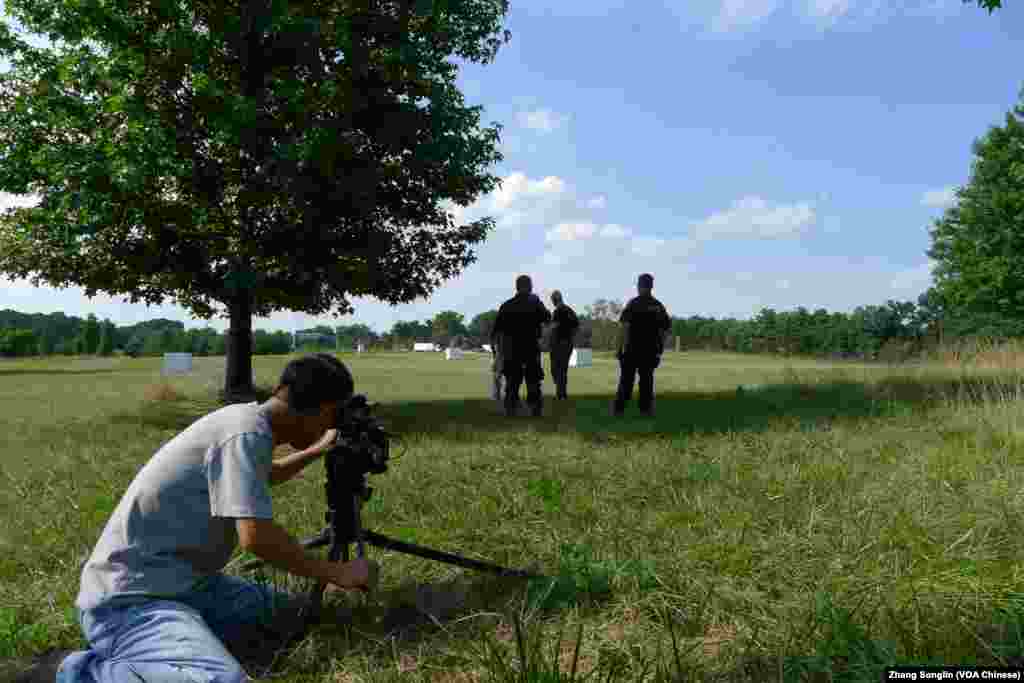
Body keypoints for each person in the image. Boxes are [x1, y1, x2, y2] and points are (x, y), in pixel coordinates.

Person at [56, 354, 380, 683]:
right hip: (131, 600)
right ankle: (82, 672)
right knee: (222, 680)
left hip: (189, 585)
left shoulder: (244, 420)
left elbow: (269, 473)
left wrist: (315, 450)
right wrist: (336, 572)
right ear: (324, 409)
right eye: (335, 415)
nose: (333, 425)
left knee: (296, 615)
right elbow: (256, 538)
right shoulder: (245, 435)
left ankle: (167, 650)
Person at [491, 275, 552, 417]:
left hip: (511, 350)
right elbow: (548, 318)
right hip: (531, 348)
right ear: (529, 286)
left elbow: (496, 331)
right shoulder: (535, 303)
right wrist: (538, 301)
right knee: (533, 381)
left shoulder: (506, 306)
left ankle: (510, 410)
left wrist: (497, 354)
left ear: (516, 287)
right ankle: (535, 410)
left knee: (512, 382)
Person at [613, 273, 671, 417]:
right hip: (650, 351)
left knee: (626, 382)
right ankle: (645, 411)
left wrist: (619, 347)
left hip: (631, 350)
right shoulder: (658, 306)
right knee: (647, 382)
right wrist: (659, 349)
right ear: (651, 286)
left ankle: (619, 411)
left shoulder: (633, 303)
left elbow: (624, 327)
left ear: (639, 286)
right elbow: (665, 330)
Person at [547, 290, 580, 400]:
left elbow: (553, 327)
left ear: (554, 300)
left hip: (558, 344)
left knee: (556, 369)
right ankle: (562, 394)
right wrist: (570, 336)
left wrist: (549, 338)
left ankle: (560, 393)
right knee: (562, 369)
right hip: (568, 343)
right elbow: (576, 326)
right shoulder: (569, 310)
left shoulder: (557, 311)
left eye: (553, 300)